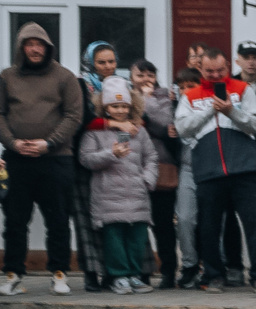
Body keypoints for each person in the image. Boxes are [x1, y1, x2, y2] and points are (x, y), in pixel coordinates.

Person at [1, 20, 87, 295]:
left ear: (48, 47)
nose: (35, 49)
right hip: (17, 160)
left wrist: (48, 143)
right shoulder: (7, 77)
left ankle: (59, 273)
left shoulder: (65, 77)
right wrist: (13, 144)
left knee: (58, 220)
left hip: (55, 159)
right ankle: (12, 273)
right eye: (29, 44)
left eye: (39, 44)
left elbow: (74, 116)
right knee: (15, 221)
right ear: (21, 47)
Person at [176, 50, 256, 295]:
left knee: (255, 224)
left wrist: (232, 111)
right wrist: (210, 110)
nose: (215, 75)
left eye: (220, 70)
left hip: (245, 167)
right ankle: (214, 275)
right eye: (209, 71)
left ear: (227, 66)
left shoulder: (243, 88)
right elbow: (182, 128)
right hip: (208, 169)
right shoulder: (191, 95)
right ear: (201, 70)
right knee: (209, 226)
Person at [76, 77, 155, 292]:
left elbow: (151, 157)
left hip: (137, 194)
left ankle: (135, 274)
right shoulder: (94, 132)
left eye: (124, 106)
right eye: (115, 105)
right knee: (114, 239)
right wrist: (111, 153)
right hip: (107, 195)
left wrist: (147, 179)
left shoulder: (139, 131)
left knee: (137, 238)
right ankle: (118, 276)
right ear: (105, 107)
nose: (120, 110)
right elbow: (86, 159)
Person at [131, 62, 181, 287]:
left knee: (163, 225)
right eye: (140, 75)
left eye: (150, 74)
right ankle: (142, 272)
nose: (145, 79)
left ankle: (169, 271)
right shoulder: (125, 96)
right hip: (132, 169)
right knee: (137, 224)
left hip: (162, 168)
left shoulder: (164, 97)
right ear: (131, 76)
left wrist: (146, 100)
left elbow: (165, 126)